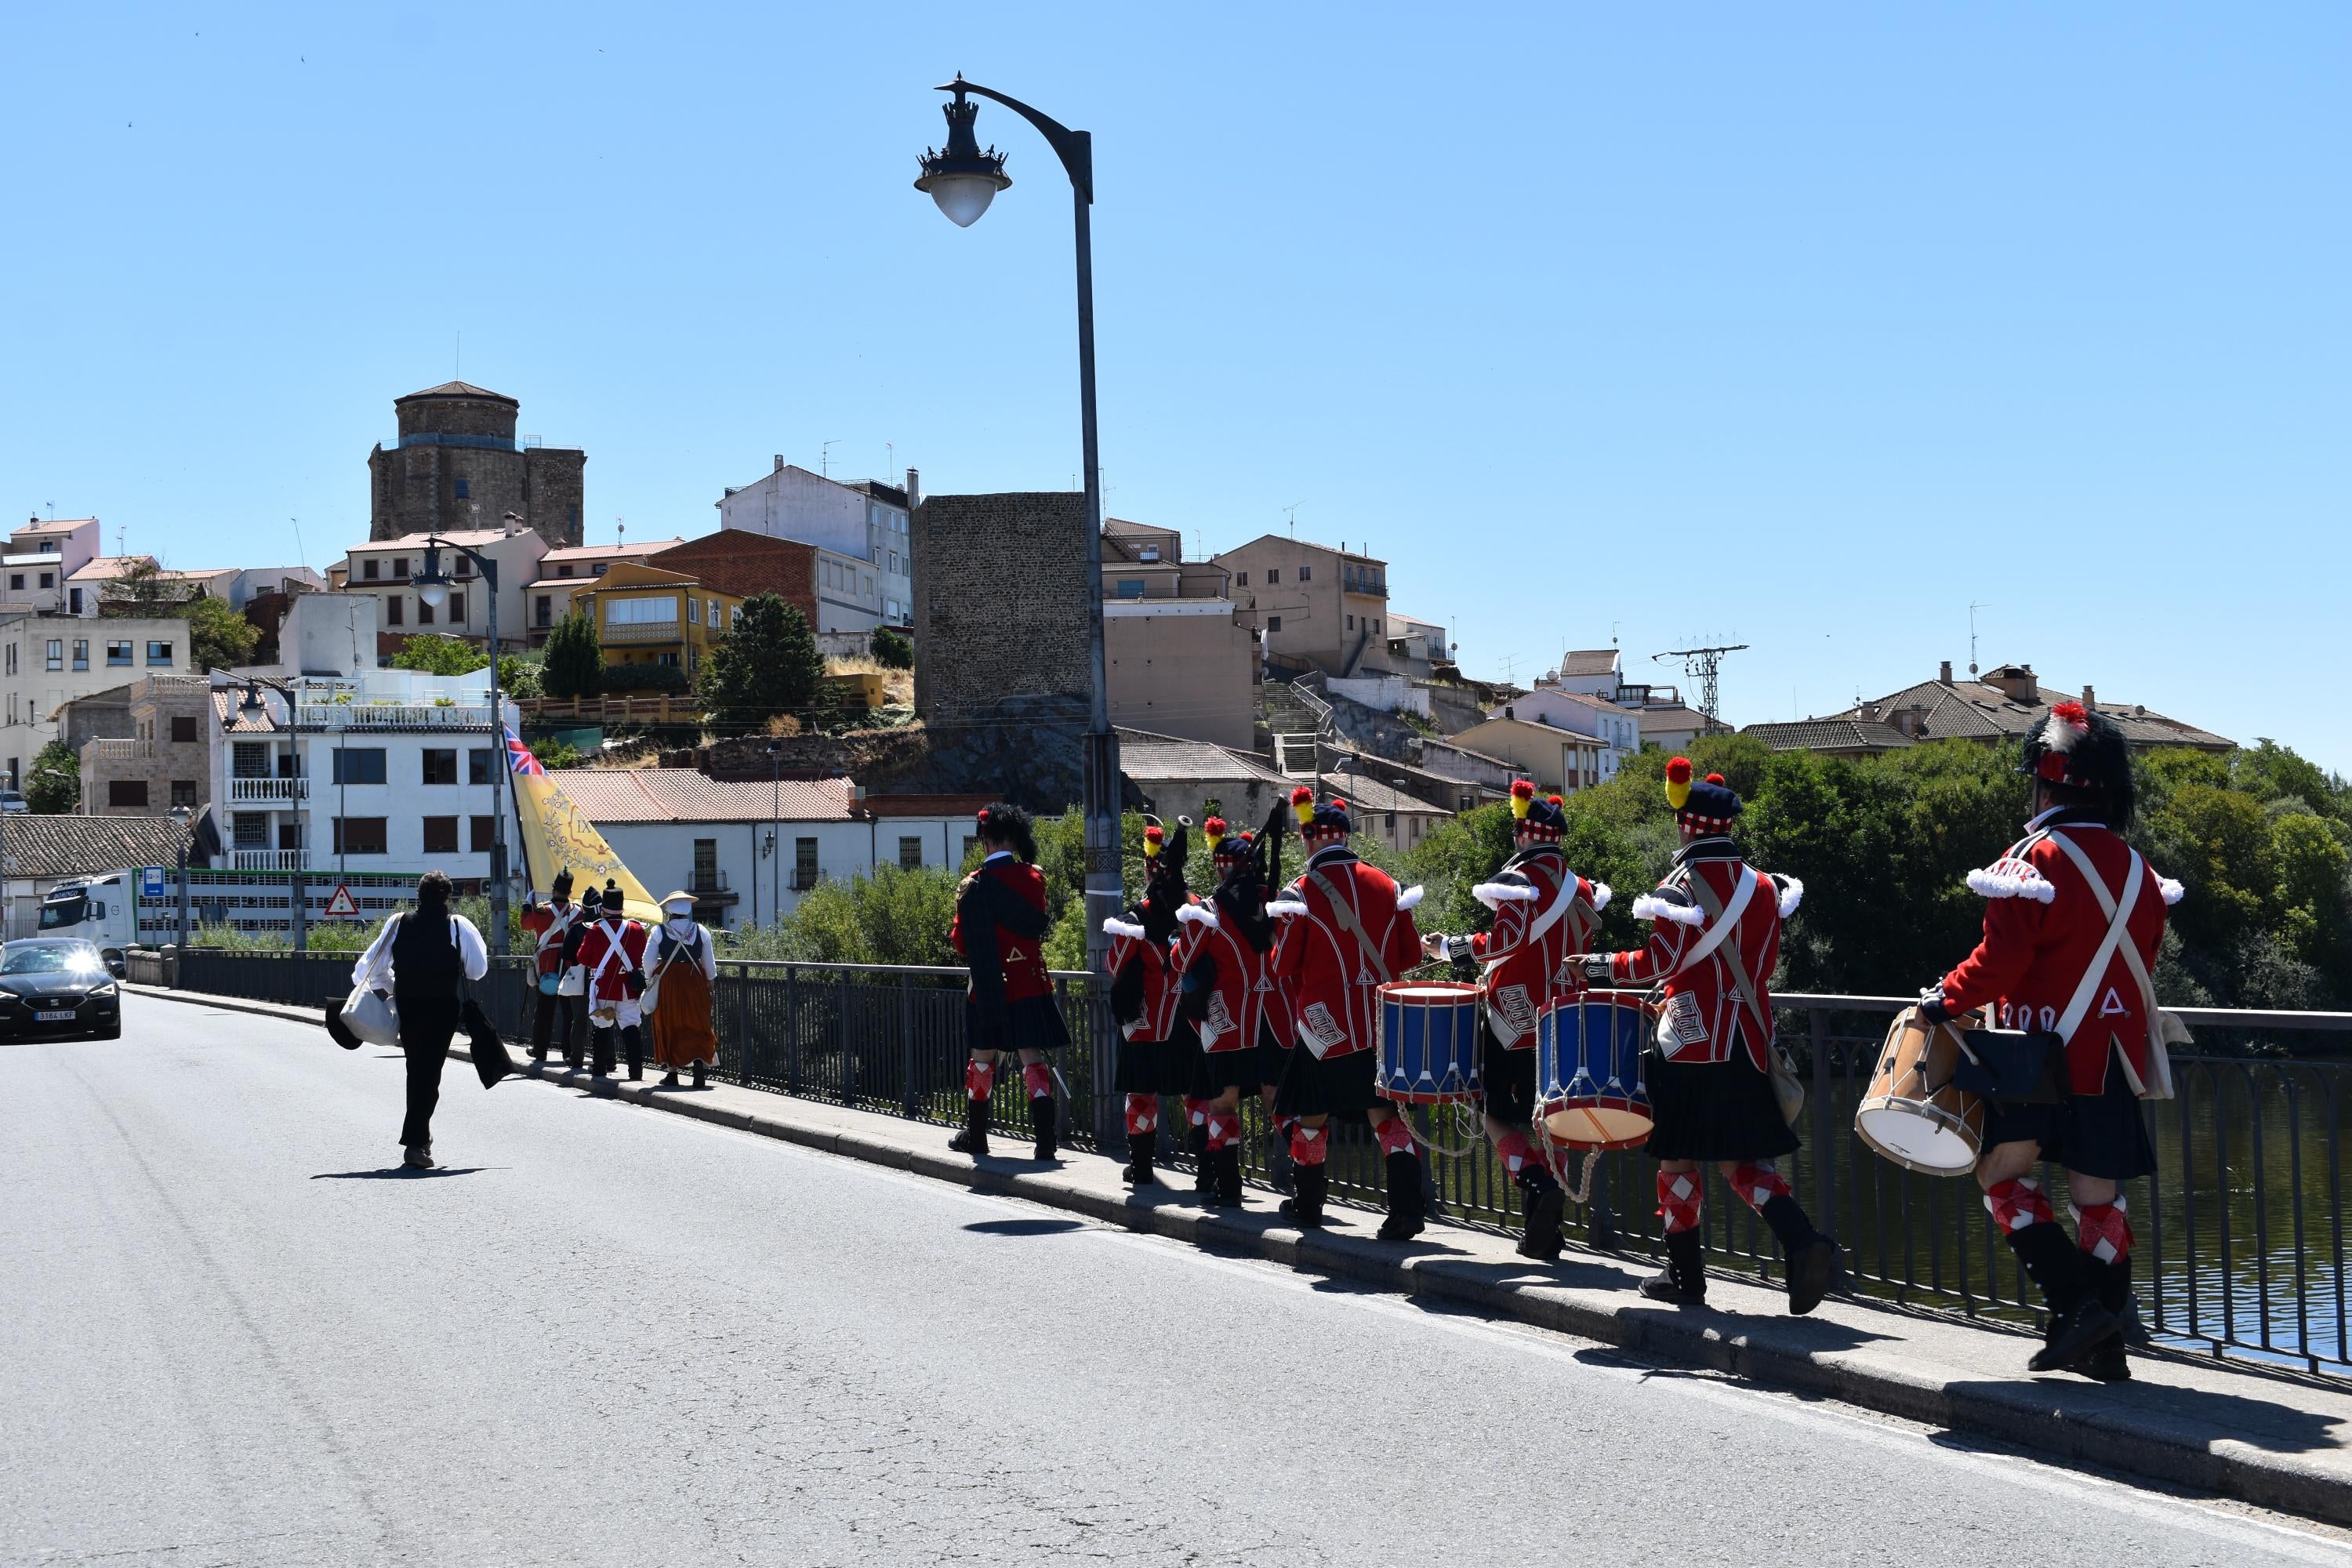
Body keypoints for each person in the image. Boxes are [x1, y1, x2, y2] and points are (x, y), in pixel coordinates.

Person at [1920, 702, 2178, 1381]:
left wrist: (1944, 998)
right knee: (2099, 1199)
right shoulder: (2135, 866)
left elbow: (1998, 963)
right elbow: (2146, 955)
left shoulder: (2030, 860)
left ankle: (2074, 1305)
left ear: (2044, 781)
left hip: (2035, 1052)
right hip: (2113, 1052)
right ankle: (2108, 1345)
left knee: (2000, 1177)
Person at [1573, 758, 1839, 1313]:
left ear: (1687, 825)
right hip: (1749, 1040)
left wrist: (1596, 966)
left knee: (1677, 1159)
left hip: (1691, 1044)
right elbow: (1762, 962)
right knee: (1745, 1162)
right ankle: (1803, 1241)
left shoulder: (1679, 886)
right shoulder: (1764, 887)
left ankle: (1685, 1277)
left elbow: (1657, 961)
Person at [1421, 780, 1609, 1261]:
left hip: (1513, 1020)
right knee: (1548, 1120)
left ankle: (1535, 1183)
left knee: (1496, 1116)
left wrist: (1448, 948)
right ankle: (1545, 1233)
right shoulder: (1581, 888)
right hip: (1564, 1023)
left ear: (1525, 834)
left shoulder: (1520, 881)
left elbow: (1504, 941)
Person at [1267, 786, 1429, 1240]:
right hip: (1379, 1021)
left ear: (1313, 839)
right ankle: (1406, 1211)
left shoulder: (1297, 893)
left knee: (1312, 1115)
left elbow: (1283, 965)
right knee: (1386, 1116)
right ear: (1344, 836)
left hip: (1323, 1024)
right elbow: (1409, 954)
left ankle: (1308, 1206)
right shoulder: (1386, 884)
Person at [949, 803, 1069, 1161]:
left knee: (982, 1061)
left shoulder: (974, 885)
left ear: (984, 840)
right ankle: (1046, 1142)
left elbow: (961, 945)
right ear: (1014, 839)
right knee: (1032, 1060)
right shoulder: (1033, 877)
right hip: (1030, 985)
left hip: (988, 988)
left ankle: (979, 1139)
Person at [349, 870, 489, 1170]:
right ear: (448, 897)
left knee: (417, 1069)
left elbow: (366, 970)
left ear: (419, 896)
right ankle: (415, 1143)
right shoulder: (457, 926)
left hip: (409, 1008)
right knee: (430, 1073)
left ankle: (419, 1140)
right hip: (443, 1009)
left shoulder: (399, 923)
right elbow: (477, 970)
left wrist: (391, 990)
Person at [1172, 815, 1278, 1208]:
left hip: (1227, 1021)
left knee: (1223, 1103)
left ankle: (1229, 1189)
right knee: (1277, 1102)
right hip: (1275, 1019)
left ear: (1221, 866)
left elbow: (1183, 959)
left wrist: (1176, 944)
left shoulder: (1210, 910)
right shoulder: (1277, 901)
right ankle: (1306, 1189)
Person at [1105, 818, 1197, 1188]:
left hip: (1144, 1022)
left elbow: (1115, 965)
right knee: (1197, 1096)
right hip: (1187, 1019)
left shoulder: (1136, 918)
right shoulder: (1196, 911)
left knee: (1141, 1094)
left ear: (1149, 869)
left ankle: (1141, 1168)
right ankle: (1210, 1173)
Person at [573, 880, 650, 1080]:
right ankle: (635, 1072)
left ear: (603, 909)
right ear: (622, 907)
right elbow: (643, 954)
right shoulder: (637, 929)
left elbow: (582, 957)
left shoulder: (596, 929)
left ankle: (599, 1069)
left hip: (605, 986)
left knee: (602, 1026)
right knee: (631, 1027)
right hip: (629, 987)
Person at [645, 890, 720, 1089]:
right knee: (697, 1022)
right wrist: (710, 982)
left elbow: (648, 960)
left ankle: (672, 1073)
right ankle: (698, 1068)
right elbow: (709, 963)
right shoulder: (701, 931)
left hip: (668, 980)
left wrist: (650, 978)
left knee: (670, 1022)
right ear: (687, 910)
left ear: (669, 910)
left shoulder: (659, 931)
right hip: (694, 979)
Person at [520, 869, 585, 1063]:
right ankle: (569, 1052)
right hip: (569, 966)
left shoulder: (541, 910)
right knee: (569, 1012)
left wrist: (526, 905)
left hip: (547, 965)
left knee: (544, 1011)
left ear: (554, 889)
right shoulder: (578, 912)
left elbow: (525, 925)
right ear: (570, 891)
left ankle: (540, 1051)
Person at [553, 884, 602, 1069]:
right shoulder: (606, 927)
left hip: (580, 980)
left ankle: (577, 1058)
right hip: (604, 979)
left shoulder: (576, 929)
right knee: (605, 1020)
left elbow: (566, 956)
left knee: (579, 1020)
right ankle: (608, 1059)